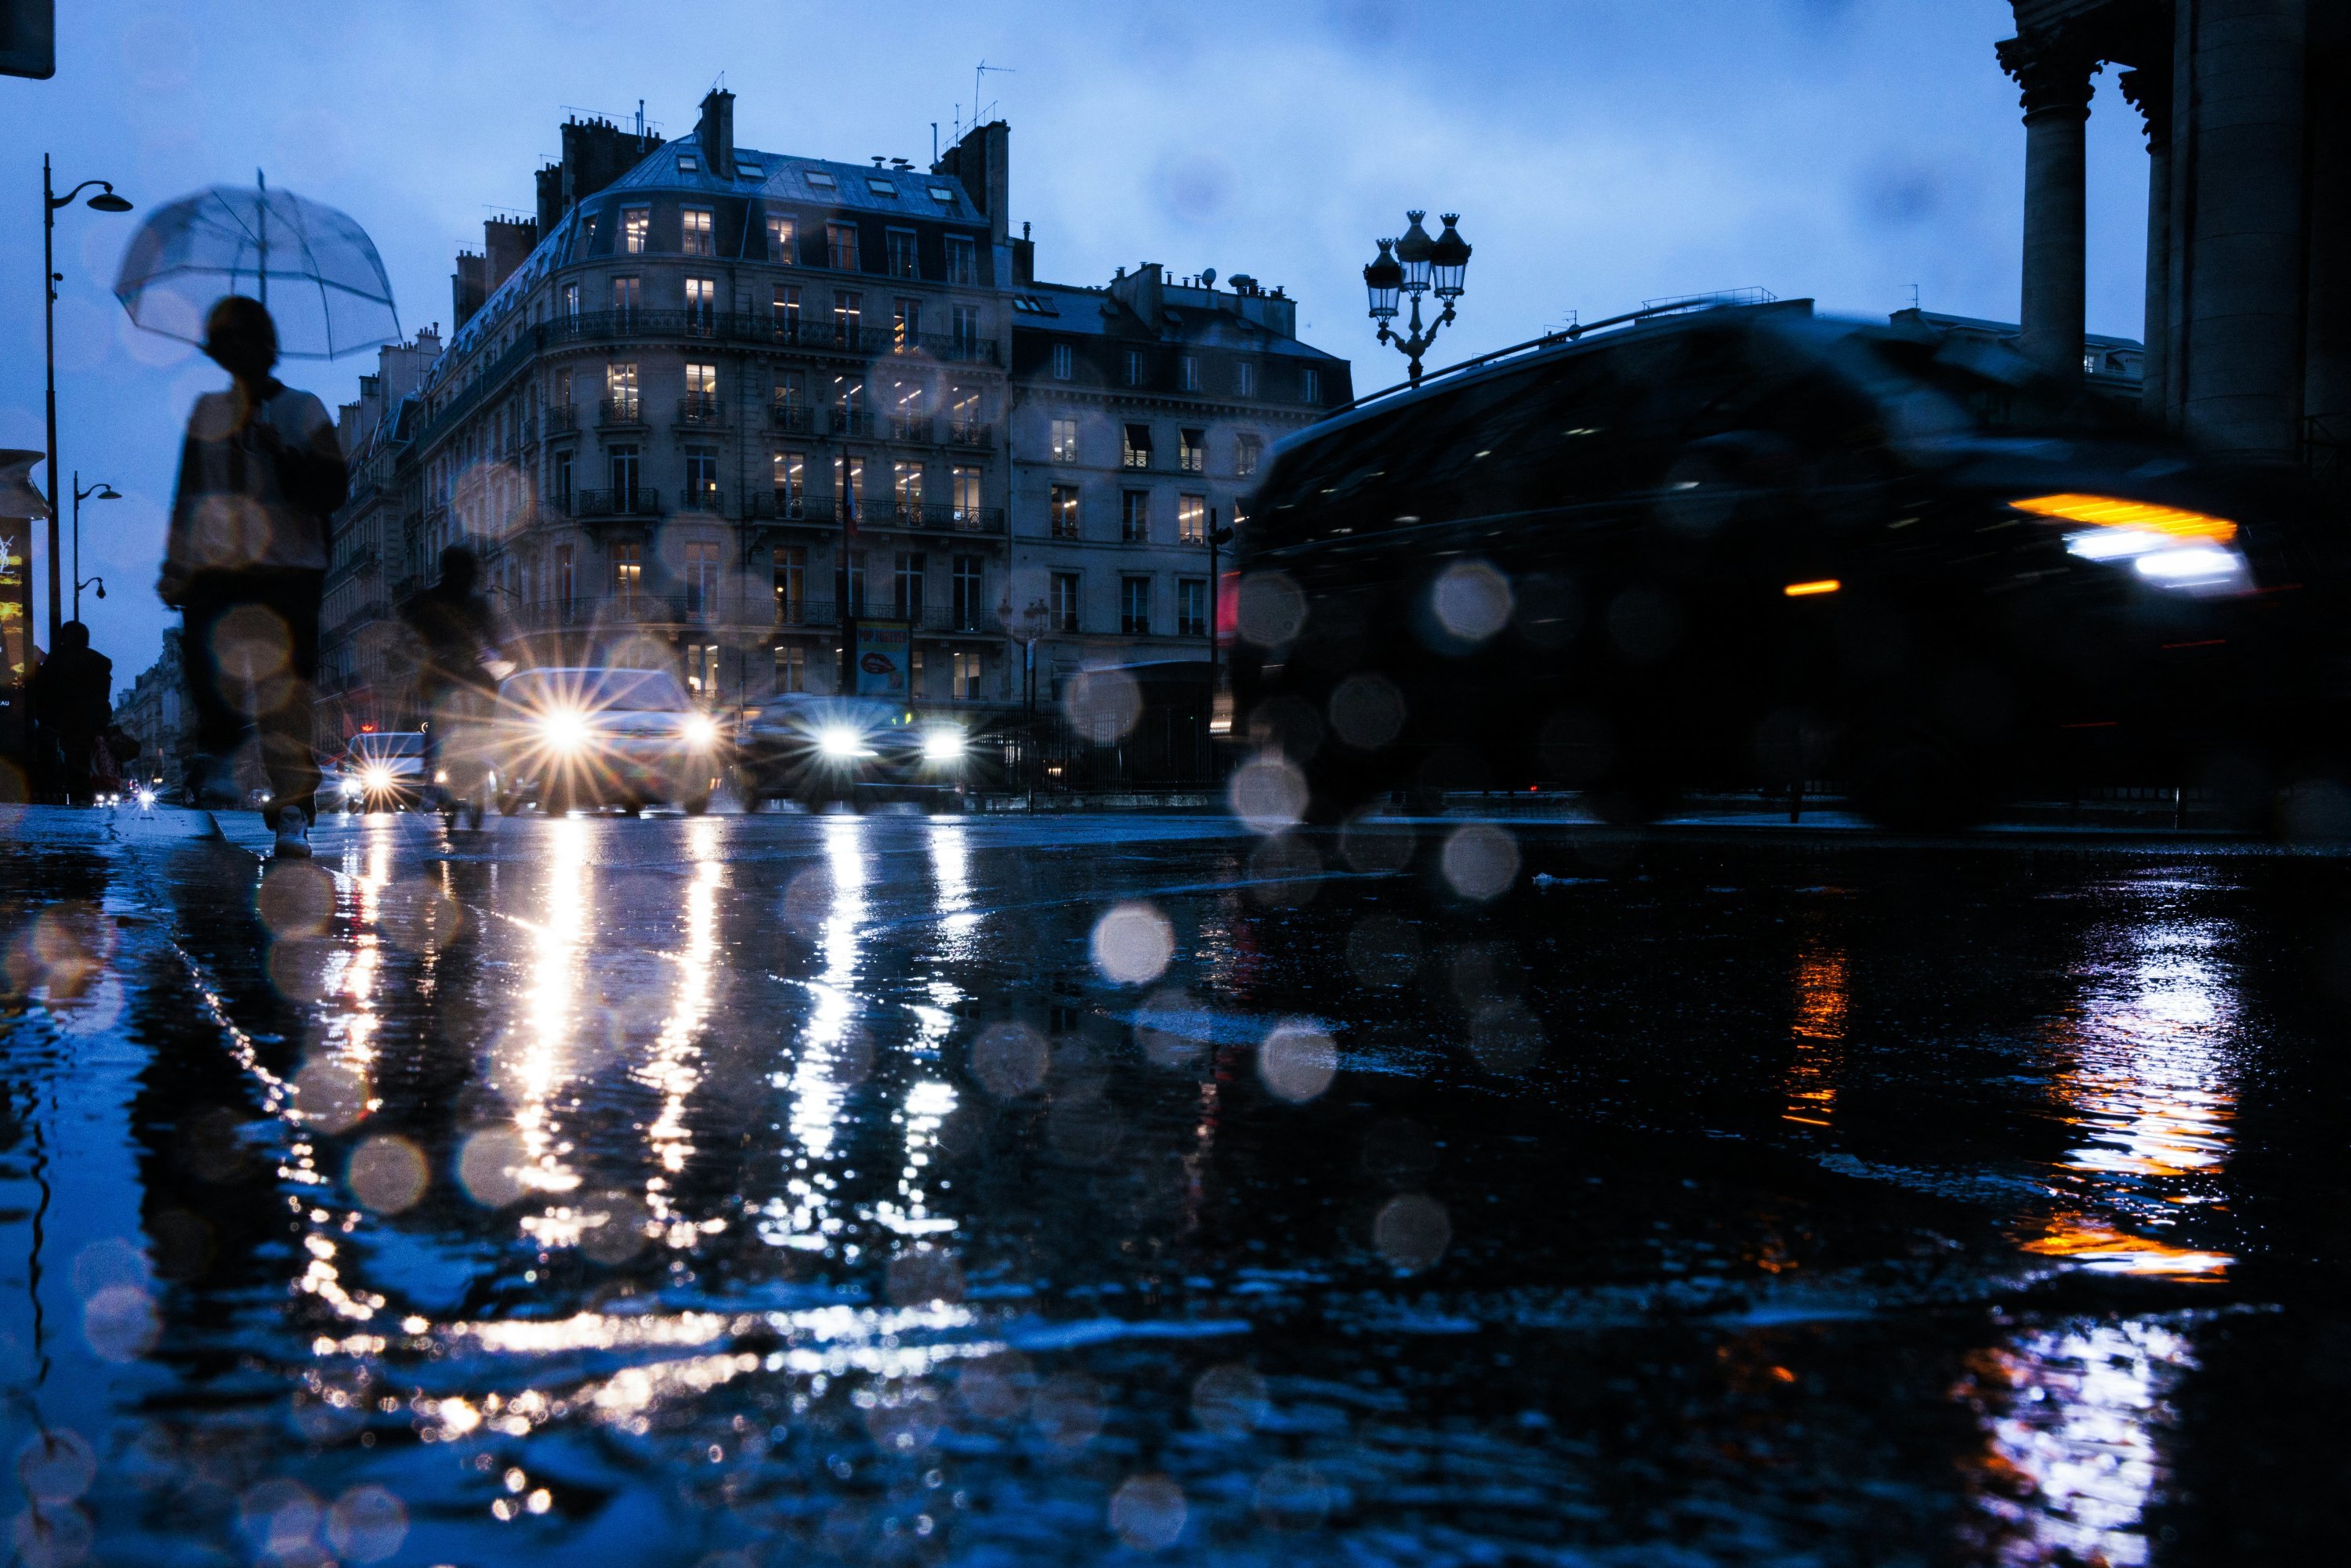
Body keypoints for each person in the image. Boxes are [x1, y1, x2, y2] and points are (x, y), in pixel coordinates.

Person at [158, 296, 346, 857]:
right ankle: (220, 744)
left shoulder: (303, 410)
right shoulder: (206, 414)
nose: (234, 350)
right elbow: (188, 494)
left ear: (265, 347)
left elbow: (333, 490)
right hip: (223, 566)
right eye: (225, 340)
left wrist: (283, 454)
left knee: (285, 695)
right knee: (206, 659)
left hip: (290, 567)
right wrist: (177, 562)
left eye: (244, 338)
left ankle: (291, 810)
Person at [397, 544, 512, 815]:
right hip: (451, 669)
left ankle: (438, 765)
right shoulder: (468, 602)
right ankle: (442, 761)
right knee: (443, 716)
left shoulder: (432, 599)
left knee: (440, 715)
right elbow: (494, 636)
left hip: (449, 669)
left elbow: (407, 629)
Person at [27, 620, 112, 802]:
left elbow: (42, 689)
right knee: (81, 762)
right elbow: (103, 695)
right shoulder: (100, 662)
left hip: (60, 719)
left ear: (64, 638)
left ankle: (51, 790)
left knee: (49, 754)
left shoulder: (56, 660)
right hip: (89, 720)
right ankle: (81, 796)